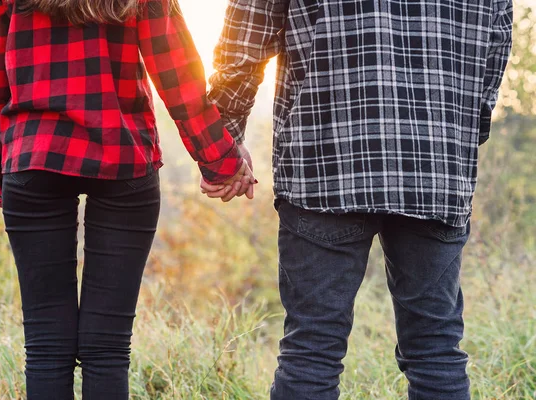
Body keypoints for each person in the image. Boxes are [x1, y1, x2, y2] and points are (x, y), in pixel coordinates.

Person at [202, 0, 513, 398]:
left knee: (311, 348)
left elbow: (243, 44)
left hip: (325, 158)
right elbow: (496, 43)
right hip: (437, 162)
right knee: (436, 348)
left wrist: (223, 144)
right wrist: (460, 132)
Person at [0, 0, 254, 398]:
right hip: (122, 154)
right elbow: (175, 69)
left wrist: (3, 170)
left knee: (45, 347)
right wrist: (221, 160)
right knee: (107, 350)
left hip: (33, 155)